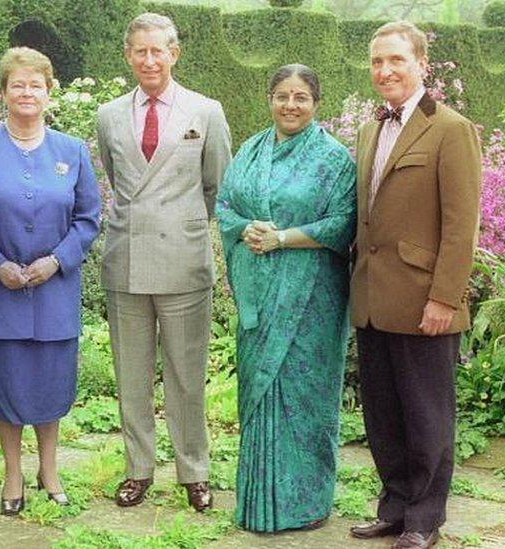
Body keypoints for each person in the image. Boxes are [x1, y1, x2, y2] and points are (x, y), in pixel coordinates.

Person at [349, 21, 481, 549]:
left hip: (426, 299)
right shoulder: (368, 130)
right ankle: (395, 508)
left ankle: (425, 518)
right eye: (378, 62)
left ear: (421, 64)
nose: (386, 71)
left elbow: (461, 223)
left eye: (397, 61)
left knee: (427, 413)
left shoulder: (451, 129)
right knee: (383, 413)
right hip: (374, 298)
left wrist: (445, 297)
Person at [0, 47, 101, 516]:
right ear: (3, 92)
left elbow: (89, 217)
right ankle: (13, 472)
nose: (26, 92)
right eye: (17, 84)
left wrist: (58, 261)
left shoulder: (72, 150)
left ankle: (50, 469)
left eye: (35, 84)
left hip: (55, 291)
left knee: (51, 384)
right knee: (7, 384)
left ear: (48, 90)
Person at [96, 12, 232, 512]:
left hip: (184, 260)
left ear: (175, 53)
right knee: (131, 374)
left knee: (186, 374)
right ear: (129, 54)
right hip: (127, 261)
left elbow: (219, 185)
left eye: (159, 50)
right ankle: (139, 470)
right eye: (141, 51)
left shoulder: (207, 111)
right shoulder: (109, 115)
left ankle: (194, 470)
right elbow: (116, 178)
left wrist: (186, 225)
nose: (150, 60)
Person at [217, 64, 356, 533]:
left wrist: (285, 238)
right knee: (259, 392)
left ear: (316, 103)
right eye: (281, 96)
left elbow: (344, 223)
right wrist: (246, 228)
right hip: (259, 294)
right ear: (269, 99)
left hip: (312, 301)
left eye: (300, 97)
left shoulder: (334, 158)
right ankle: (257, 503)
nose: (290, 105)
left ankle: (306, 503)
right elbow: (225, 206)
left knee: (304, 396)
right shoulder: (251, 149)